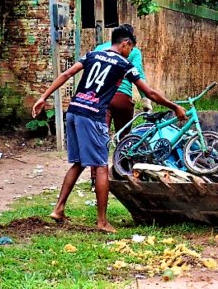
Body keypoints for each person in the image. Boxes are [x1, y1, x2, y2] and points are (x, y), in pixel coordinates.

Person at [32, 25, 186, 232]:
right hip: (93, 116)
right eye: (130, 48)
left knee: (78, 162)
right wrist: (174, 106)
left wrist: (43, 97)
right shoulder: (124, 64)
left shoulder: (92, 54)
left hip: (74, 111)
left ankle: (58, 209)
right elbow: (149, 93)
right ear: (125, 43)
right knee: (101, 166)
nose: (130, 52)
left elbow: (67, 74)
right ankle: (102, 221)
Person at [90, 23, 151, 190]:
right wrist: (146, 100)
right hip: (122, 98)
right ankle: (121, 171)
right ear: (127, 41)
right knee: (124, 137)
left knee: (99, 138)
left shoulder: (100, 49)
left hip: (100, 98)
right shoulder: (133, 51)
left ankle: (95, 179)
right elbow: (138, 73)